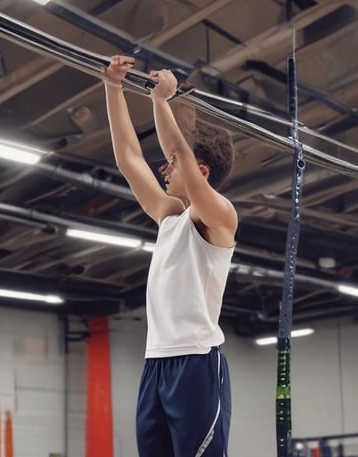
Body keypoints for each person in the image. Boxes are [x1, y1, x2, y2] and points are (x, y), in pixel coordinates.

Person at [102, 55, 238, 457]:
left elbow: (177, 144)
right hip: (155, 364)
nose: (164, 169)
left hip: (197, 364)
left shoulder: (221, 217)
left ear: (201, 170)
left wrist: (162, 101)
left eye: (173, 165)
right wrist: (113, 89)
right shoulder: (169, 216)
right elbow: (129, 159)